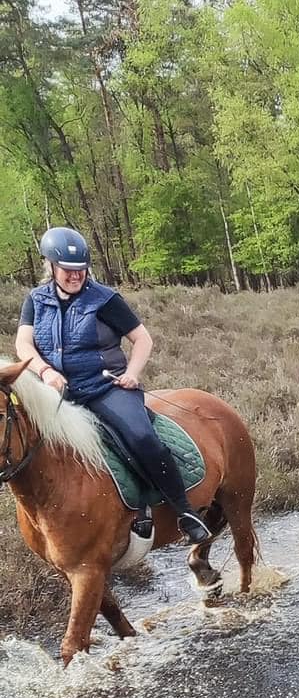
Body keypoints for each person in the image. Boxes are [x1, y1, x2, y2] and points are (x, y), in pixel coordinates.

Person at [14, 227, 210, 542]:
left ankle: (183, 511)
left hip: (106, 388)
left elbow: (142, 339)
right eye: (68, 270)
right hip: (57, 393)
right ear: (50, 266)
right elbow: (24, 344)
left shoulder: (105, 299)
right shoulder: (35, 300)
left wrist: (132, 372)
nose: (75, 276)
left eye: (81, 271)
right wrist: (45, 371)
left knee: (141, 437)